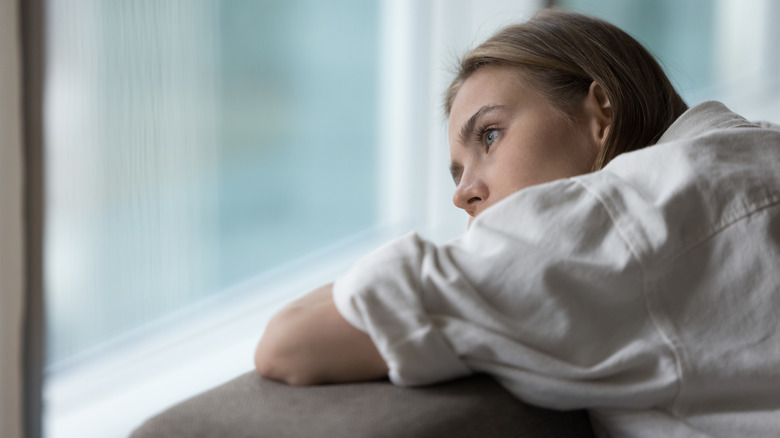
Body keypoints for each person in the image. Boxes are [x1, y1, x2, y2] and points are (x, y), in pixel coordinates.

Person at [254, 9, 780, 437]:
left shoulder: (624, 220)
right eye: (456, 173)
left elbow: (291, 341)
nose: (462, 194)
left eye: (489, 135)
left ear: (601, 114)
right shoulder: (745, 153)